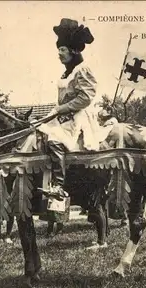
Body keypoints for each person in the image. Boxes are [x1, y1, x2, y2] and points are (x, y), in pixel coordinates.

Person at [37, 18, 101, 199]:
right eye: (58, 49)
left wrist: (62, 109)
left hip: (79, 116)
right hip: (65, 115)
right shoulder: (67, 72)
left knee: (54, 140)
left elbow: (86, 97)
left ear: (73, 51)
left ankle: (59, 185)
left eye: (62, 50)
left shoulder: (82, 70)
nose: (59, 53)